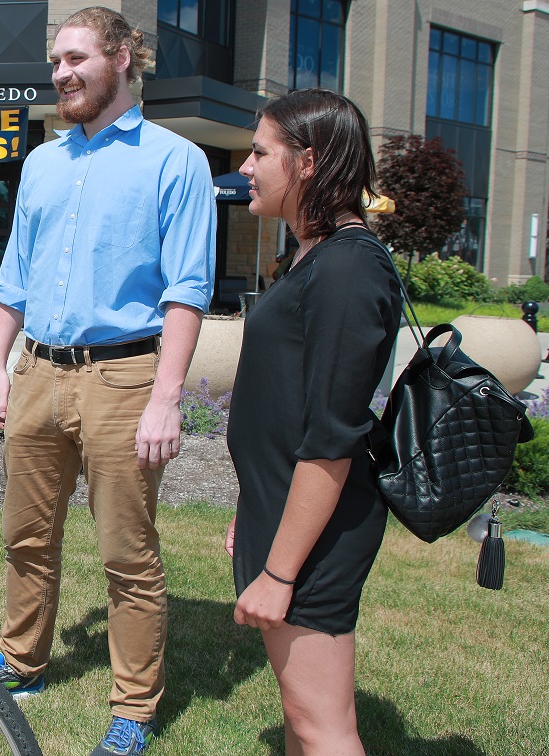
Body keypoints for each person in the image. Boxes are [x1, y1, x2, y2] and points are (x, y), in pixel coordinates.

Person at [0, 7, 215, 755]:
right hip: (36, 370)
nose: (60, 73)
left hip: (124, 377)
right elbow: (14, 275)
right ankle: (22, 664)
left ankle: (134, 705)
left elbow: (187, 289)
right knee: (25, 538)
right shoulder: (42, 161)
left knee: (127, 553)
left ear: (125, 57)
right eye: (54, 62)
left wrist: (166, 398)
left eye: (75, 58)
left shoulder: (175, 160)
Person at [225, 88, 403, 755]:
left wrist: (279, 573)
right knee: (303, 722)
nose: (247, 165)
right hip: (283, 514)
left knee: (322, 729)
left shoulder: (347, 269)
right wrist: (254, 510)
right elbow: (285, 403)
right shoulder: (312, 255)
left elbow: (332, 436)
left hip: (317, 536)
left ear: (307, 162)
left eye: (259, 151)